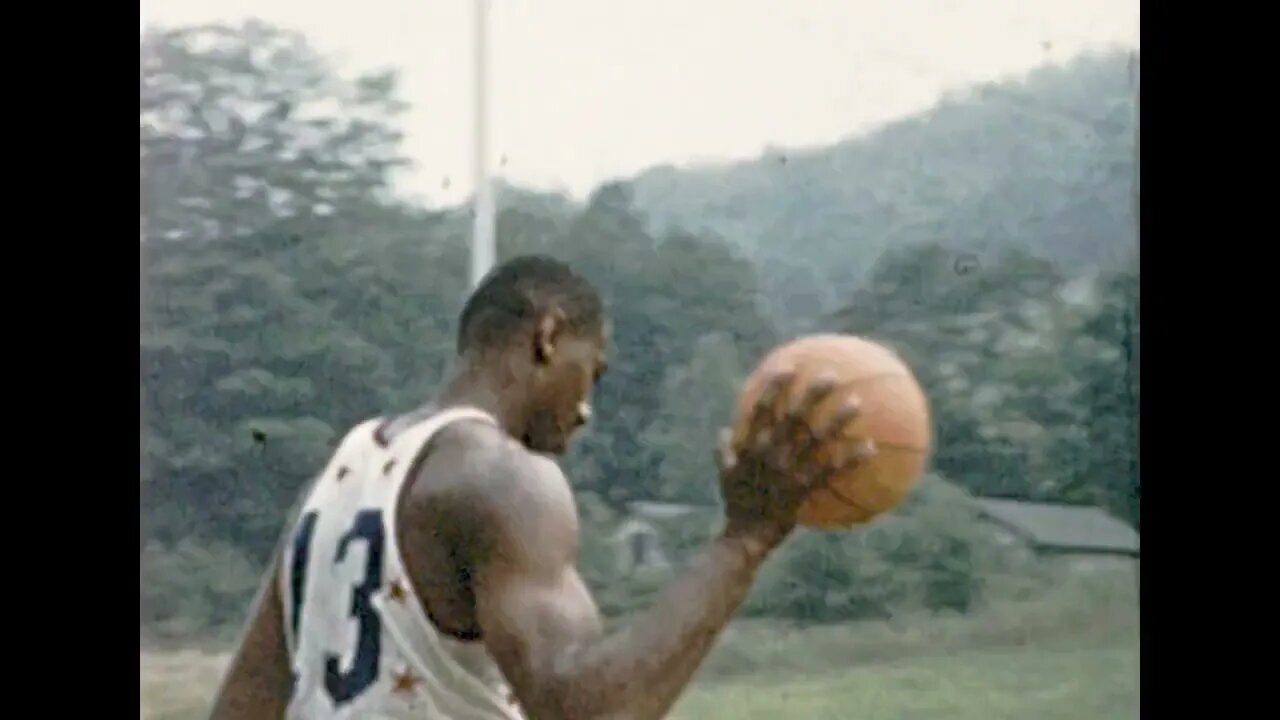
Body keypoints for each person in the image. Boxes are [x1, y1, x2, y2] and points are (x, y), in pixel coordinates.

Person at [207, 254, 873, 720]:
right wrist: (746, 540)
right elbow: (588, 712)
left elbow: (245, 703)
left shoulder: (339, 475)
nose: (586, 410)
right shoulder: (501, 477)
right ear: (548, 337)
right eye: (594, 374)